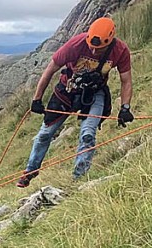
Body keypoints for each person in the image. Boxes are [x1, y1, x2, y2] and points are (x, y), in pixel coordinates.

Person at [17, 16, 133, 188]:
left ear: (109, 43)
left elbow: (126, 80)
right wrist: (37, 99)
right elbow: (50, 70)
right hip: (67, 90)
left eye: (99, 49)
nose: (93, 52)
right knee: (45, 134)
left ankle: (78, 180)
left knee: (87, 135)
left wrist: (125, 108)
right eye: (92, 47)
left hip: (95, 93)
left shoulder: (120, 50)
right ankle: (30, 170)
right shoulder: (76, 44)